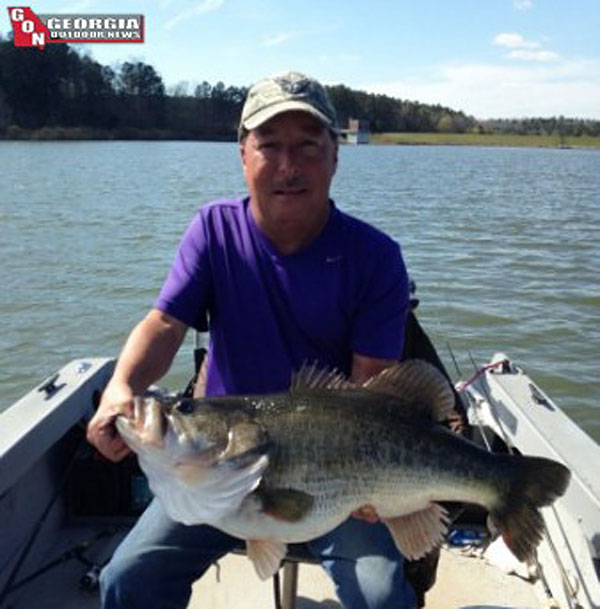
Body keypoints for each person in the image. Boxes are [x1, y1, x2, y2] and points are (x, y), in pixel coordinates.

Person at [87, 71, 416, 609]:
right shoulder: (212, 230)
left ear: (335, 155)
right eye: (269, 145)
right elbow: (165, 323)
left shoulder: (376, 257)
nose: (289, 166)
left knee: (381, 597)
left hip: (335, 476)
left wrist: (369, 482)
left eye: (308, 146)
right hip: (213, 466)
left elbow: (371, 390)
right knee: (128, 578)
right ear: (243, 155)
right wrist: (121, 387)